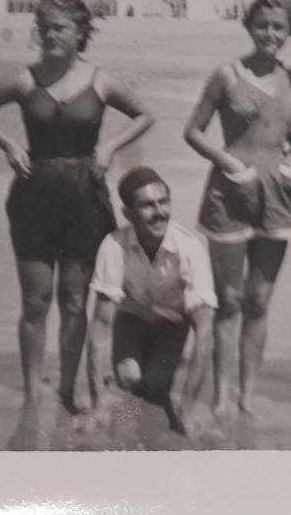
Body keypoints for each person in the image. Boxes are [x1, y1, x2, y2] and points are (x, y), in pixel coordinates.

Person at [0, 0, 153, 440]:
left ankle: (66, 387)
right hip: (33, 196)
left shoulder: (101, 81)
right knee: (35, 301)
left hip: (86, 197)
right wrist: (7, 144)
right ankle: (31, 391)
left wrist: (109, 147)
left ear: (80, 33)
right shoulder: (23, 80)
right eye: (44, 26)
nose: (49, 35)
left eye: (60, 27)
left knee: (73, 301)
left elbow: (145, 114)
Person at [183, 0, 291, 421]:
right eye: (262, 25)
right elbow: (192, 131)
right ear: (249, 27)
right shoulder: (226, 75)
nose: (270, 33)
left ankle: (248, 394)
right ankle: (222, 394)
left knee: (259, 301)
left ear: (289, 32)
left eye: (279, 27)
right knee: (228, 299)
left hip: (277, 199)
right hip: (229, 194)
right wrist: (230, 163)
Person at [85, 167, 217, 440]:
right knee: (130, 379)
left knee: (156, 389)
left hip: (172, 324)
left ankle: (162, 367)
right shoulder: (113, 246)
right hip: (131, 320)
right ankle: (120, 385)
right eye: (147, 205)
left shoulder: (190, 248)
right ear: (128, 214)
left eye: (163, 202)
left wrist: (187, 409)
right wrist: (98, 403)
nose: (159, 212)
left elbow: (204, 332)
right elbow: (100, 326)